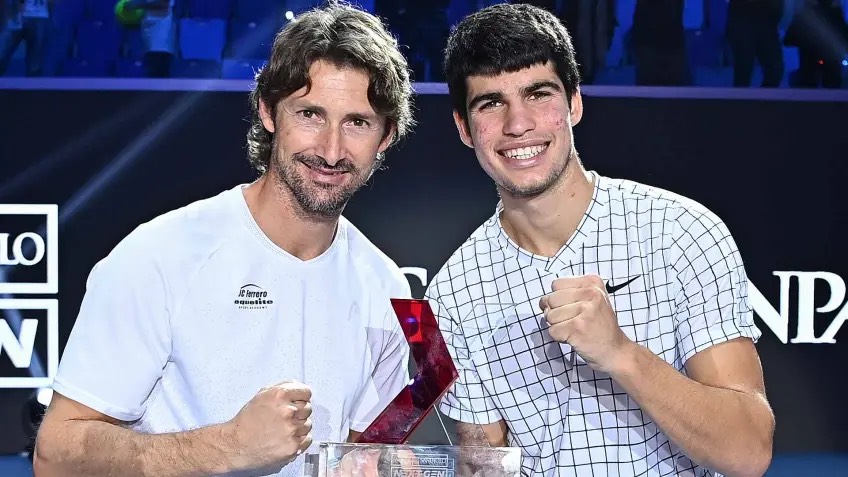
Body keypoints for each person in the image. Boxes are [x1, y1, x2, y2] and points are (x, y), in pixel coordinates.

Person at [33, 3, 414, 477]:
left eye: (357, 122)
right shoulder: (160, 256)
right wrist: (227, 446)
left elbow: (365, 457)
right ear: (269, 112)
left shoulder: (387, 286)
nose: (332, 149)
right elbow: (56, 455)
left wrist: (382, 465)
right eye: (311, 114)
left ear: (386, 136)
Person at [427, 4, 775, 476]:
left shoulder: (681, 233)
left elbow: (749, 452)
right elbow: (484, 467)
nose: (517, 123)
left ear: (574, 103)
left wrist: (619, 352)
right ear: (464, 128)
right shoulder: (452, 295)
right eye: (491, 103)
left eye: (538, 94)